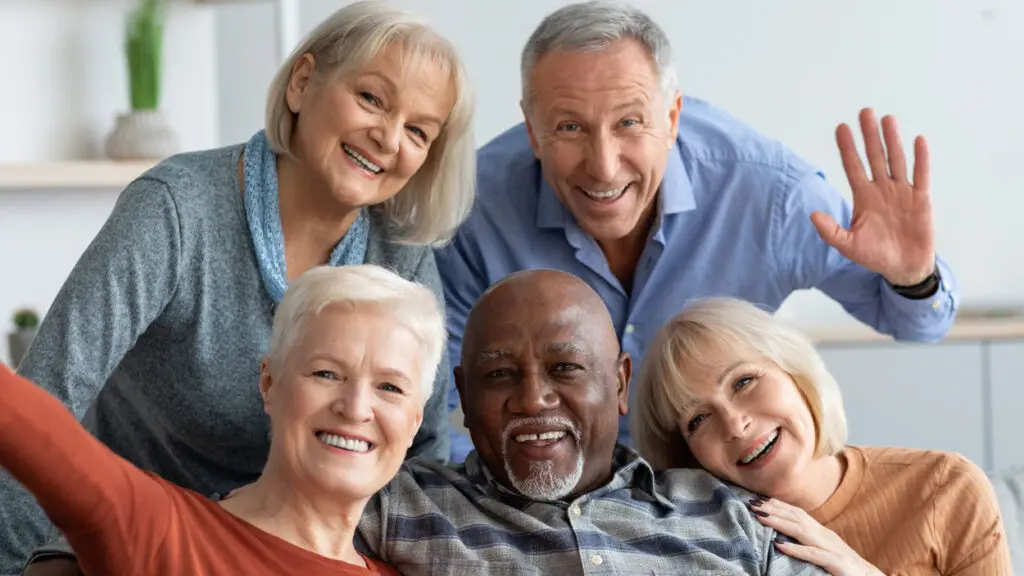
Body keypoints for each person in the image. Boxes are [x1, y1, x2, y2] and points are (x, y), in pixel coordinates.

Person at [1, 2, 475, 572]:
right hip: (142, 541)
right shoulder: (177, 210)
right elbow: (45, 401)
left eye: (418, 131)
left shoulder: (402, 252)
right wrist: (22, 563)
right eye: (371, 99)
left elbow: (421, 458)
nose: (388, 138)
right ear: (302, 82)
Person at [24, 270, 828, 575]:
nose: (534, 399)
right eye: (500, 377)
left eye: (566, 370)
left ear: (620, 383)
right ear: (457, 402)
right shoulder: (406, 506)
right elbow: (174, 524)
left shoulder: (727, 517)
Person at [436, 0, 959, 463]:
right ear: (532, 131)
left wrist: (913, 277)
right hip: (549, 492)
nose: (604, 166)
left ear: (673, 114)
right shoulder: (472, 210)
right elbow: (437, 401)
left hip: (725, 481)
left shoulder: (770, 195)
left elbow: (918, 325)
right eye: (570, 127)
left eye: (629, 123)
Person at [2, 264, 448, 574]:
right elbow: (32, 429)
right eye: (326, 373)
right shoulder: (168, 535)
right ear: (269, 384)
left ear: (413, 421)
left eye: (389, 387)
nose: (354, 408)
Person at [630, 297, 1011, 575]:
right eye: (698, 419)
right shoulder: (702, 542)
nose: (734, 425)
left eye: (743, 381)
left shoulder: (946, 487)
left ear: (796, 373)